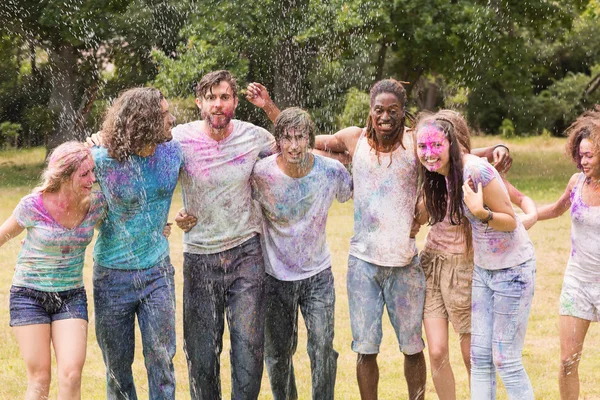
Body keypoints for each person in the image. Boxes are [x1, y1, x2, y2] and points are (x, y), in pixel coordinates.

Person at [414, 110, 537, 400]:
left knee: (505, 360)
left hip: (513, 269)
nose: (429, 153)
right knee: (480, 360)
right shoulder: (440, 175)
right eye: (423, 147)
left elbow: (509, 220)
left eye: (436, 146)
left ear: (453, 144)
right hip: (483, 270)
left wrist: (482, 213)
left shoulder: (475, 172)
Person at [173, 70, 277, 400]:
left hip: (246, 252)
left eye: (225, 97)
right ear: (199, 102)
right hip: (200, 255)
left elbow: (296, 140)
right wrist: (174, 214)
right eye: (211, 97)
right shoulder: (178, 138)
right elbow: (153, 173)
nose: (218, 104)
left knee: (249, 347)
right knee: (202, 352)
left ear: (234, 102)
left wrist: (269, 107)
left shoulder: (254, 136)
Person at [251, 107, 353, 399]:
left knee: (322, 346)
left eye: (300, 137)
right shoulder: (262, 173)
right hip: (275, 277)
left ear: (310, 138)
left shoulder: (330, 172)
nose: (294, 145)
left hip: (317, 276)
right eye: (287, 138)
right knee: (278, 353)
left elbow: (352, 194)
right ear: (278, 140)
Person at [91, 87, 181, 400]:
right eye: (165, 114)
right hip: (111, 277)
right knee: (117, 367)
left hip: (157, 272)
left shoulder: (174, 152)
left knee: (161, 358)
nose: (172, 119)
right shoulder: (101, 160)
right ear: (145, 121)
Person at [0, 142, 106, 400]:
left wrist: (161, 228)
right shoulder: (33, 205)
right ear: (64, 176)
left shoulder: (96, 205)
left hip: (70, 296)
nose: (92, 179)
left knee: (71, 374)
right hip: (29, 296)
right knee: (40, 380)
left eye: (93, 172)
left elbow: (126, 224)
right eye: (84, 174)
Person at [534, 106, 600, 400]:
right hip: (577, 282)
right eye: (581, 155)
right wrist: (519, 218)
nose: (583, 161)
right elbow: (554, 209)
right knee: (566, 361)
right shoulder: (577, 183)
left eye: (590, 155)